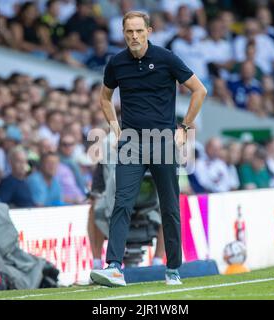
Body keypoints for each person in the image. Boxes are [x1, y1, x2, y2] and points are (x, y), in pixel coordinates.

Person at [90, 11, 207, 287]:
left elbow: (199, 90)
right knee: (121, 202)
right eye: (129, 31)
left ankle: (173, 269)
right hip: (131, 143)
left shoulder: (166, 59)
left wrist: (185, 127)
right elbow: (105, 97)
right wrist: (114, 127)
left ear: (149, 31)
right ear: (123, 33)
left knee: (169, 207)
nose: (134, 36)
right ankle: (114, 267)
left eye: (139, 31)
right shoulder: (116, 63)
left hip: (164, 141)